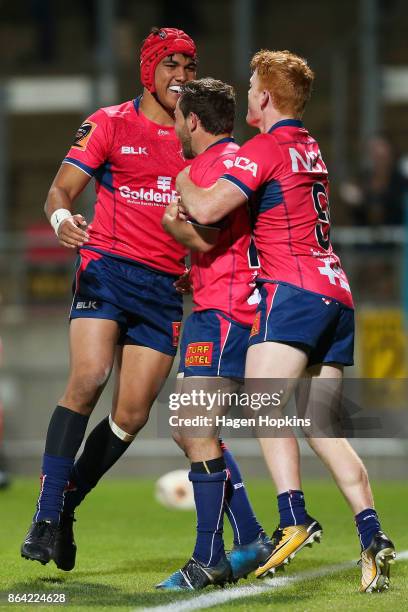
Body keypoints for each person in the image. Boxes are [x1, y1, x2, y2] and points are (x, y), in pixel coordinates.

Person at [175, 50, 396, 593]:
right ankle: (372, 535)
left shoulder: (265, 147)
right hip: (337, 293)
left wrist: (182, 178)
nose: (248, 92)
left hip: (294, 291)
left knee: (261, 398)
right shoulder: (310, 147)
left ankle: (293, 516)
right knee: (322, 426)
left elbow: (205, 209)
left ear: (265, 98)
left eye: (252, 85)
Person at [20, 26, 199, 569]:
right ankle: (46, 515)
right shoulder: (109, 123)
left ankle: (68, 502)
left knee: (132, 415)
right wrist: (60, 219)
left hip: (163, 288)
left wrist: (199, 263)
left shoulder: (199, 138)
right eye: (171, 64)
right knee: (89, 377)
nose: (182, 76)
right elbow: (60, 190)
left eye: (189, 66)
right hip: (106, 270)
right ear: (148, 70)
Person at [155, 78, 273, 591]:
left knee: (194, 426)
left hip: (226, 311)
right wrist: (196, 268)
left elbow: (200, 230)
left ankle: (209, 556)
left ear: (194, 121)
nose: (176, 126)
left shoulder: (217, 164)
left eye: (179, 118)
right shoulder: (229, 161)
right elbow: (217, 242)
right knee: (190, 427)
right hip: (213, 304)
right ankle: (249, 537)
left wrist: (171, 220)